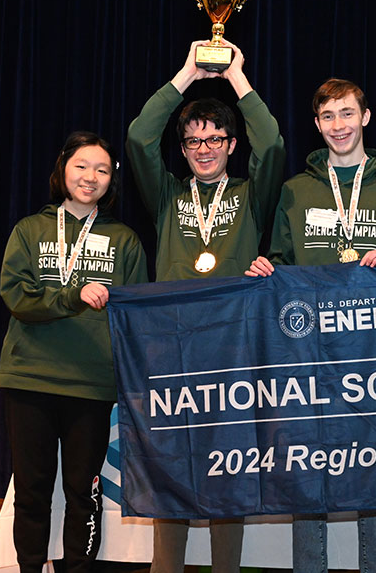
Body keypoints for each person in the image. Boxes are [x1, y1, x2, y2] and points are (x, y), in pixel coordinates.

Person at [125, 39, 285, 573]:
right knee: (170, 463)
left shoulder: (251, 194)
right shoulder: (169, 195)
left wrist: (237, 78)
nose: (205, 147)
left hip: (233, 347)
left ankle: (227, 569)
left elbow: (274, 145)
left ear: (231, 144)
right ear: (184, 147)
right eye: (194, 140)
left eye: (216, 137)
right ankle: (164, 568)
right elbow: (138, 137)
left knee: (227, 465)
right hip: (170, 348)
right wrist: (188, 74)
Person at [245, 78, 376, 573]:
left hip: (374, 356)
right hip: (308, 357)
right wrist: (265, 268)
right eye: (327, 117)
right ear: (316, 124)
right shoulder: (295, 191)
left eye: (346, 114)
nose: (337, 126)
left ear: (365, 117)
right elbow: (279, 261)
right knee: (309, 470)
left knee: (375, 472)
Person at [0, 132, 148, 572]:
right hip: (30, 378)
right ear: (63, 168)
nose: (91, 177)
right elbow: (17, 296)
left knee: (84, 490)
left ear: (111, 181)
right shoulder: (30, 230)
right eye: (82, 166)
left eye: (102, 170)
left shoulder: (125, 240)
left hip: (92, 384)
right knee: (32, 491)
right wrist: (72, 295)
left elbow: (134, 314)